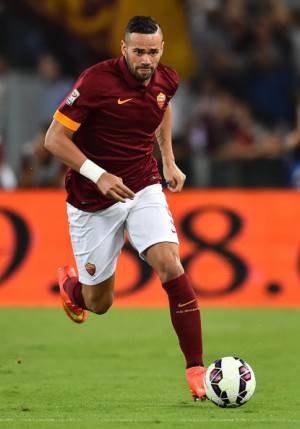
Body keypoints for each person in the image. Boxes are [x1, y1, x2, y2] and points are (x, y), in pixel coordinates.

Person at [45, 16, 206, 401]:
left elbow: (162, 109)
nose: (146, 59)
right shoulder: (95, 82)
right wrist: (98, 175)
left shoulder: (168, 79)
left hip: (142, 185)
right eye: (138, 51)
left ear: (161, 50)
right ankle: (72, 289)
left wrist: (167, 159)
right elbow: (54, 139)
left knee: (170, 262)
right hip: (91, 199)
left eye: (152, 51)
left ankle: (196, 368)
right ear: (123, 49)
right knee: (100, 303)